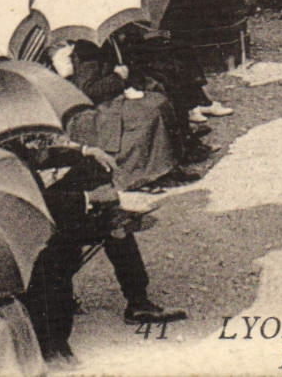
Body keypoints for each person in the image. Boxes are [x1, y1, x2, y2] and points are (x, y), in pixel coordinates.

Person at [11, 133, 186, 368]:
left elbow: (43, 155)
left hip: (43, 212)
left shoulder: (10, 135)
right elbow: (28, 201)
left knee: (92, 171)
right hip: (24, 228)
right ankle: (52, 345)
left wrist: (85, 151)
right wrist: (89, 197)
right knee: (67, 246)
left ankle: (137, 299)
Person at [54, 41, 189, 193]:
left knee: (160, 102)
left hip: (112, 99)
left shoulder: (110, 42)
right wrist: (118, 77)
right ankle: (137, 176)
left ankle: (168, 165)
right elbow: (88, 90)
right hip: (94, 109)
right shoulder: (87, 50)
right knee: (146, 114)